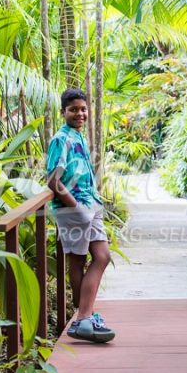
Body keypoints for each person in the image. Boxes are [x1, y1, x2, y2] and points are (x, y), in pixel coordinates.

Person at [46, 88, 115, 343]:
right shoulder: (61, 139)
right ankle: (83, 319)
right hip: (73, 209)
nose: (80, 113)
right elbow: (53, 181)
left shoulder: (78, 137)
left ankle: (84, 317)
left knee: (102, 256)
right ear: (63, 111)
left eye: (83, 109)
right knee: (77, 261)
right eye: (74, 109)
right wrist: (76, 206)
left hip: (89, 205)